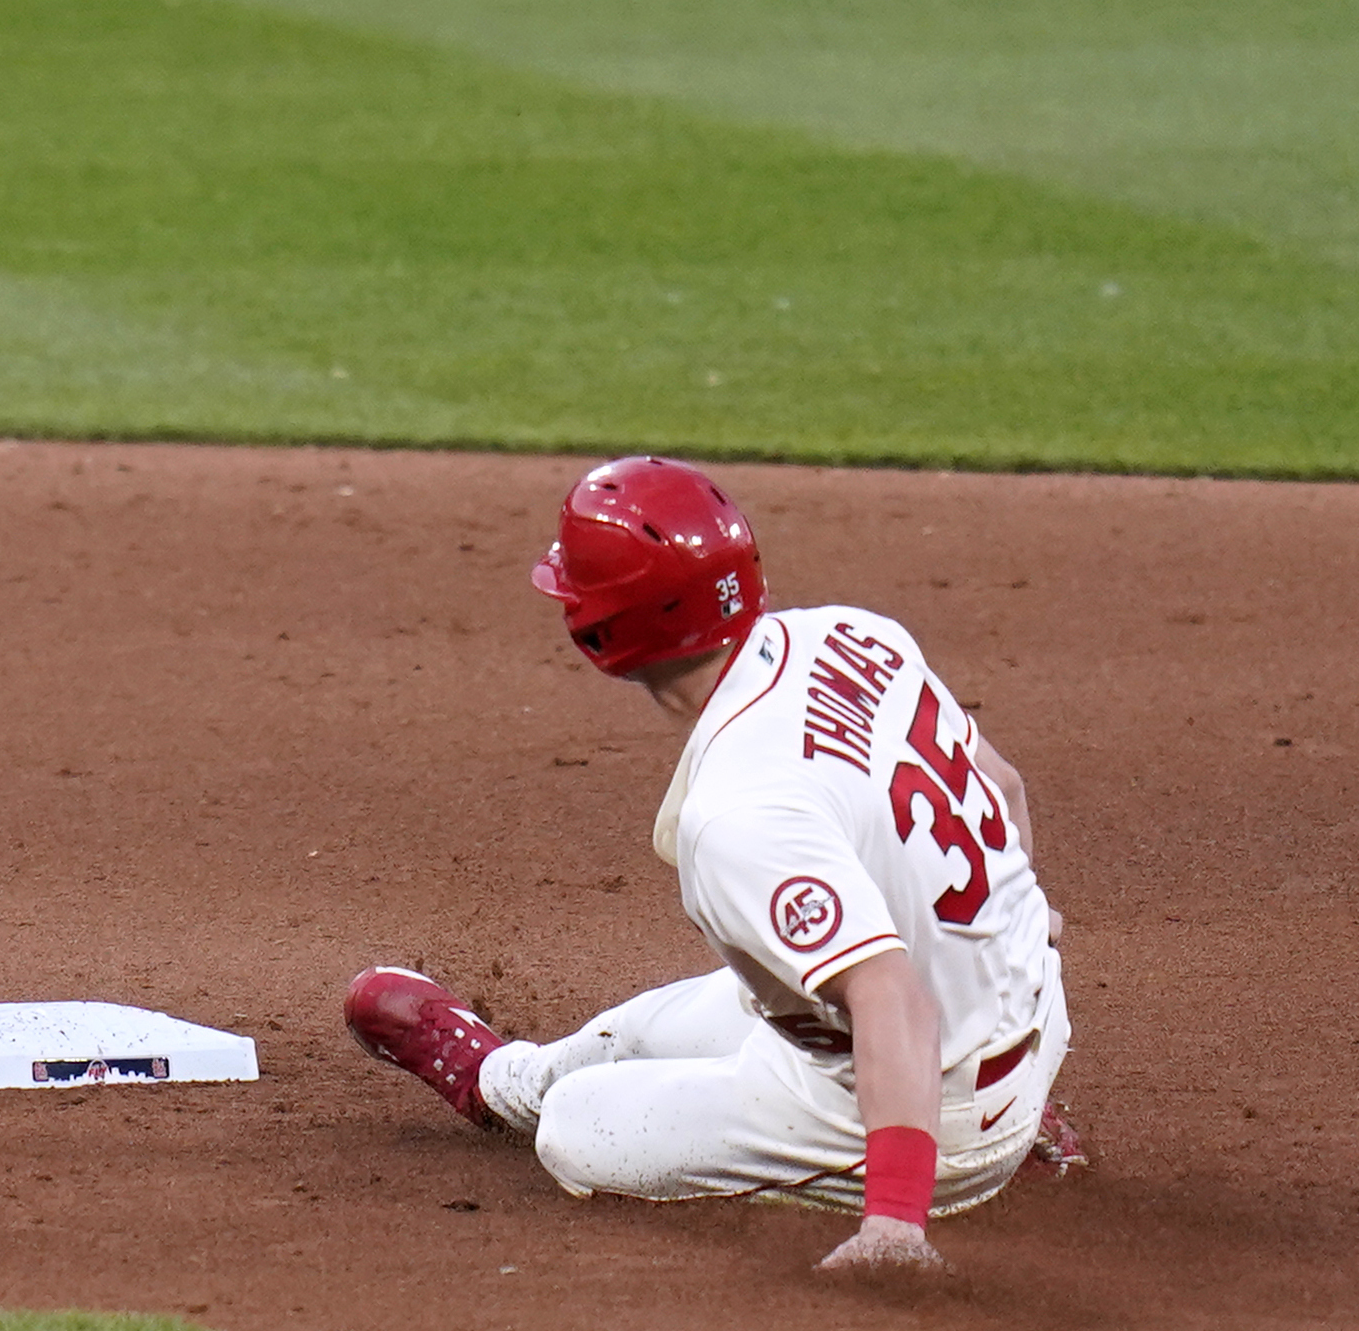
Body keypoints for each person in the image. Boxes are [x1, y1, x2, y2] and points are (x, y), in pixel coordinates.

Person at [346, 457, 1074, 1272]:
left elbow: (890, 997)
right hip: (1029, 1021)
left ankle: (921, 1176)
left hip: (938, 1114)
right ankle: (495, 1081)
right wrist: (1007, 933)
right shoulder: (853, 633)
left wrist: (894, 1225)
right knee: (651, 1030)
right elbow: (1002, 788)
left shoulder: (737, 815)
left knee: (578, 1126)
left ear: (599, 633)